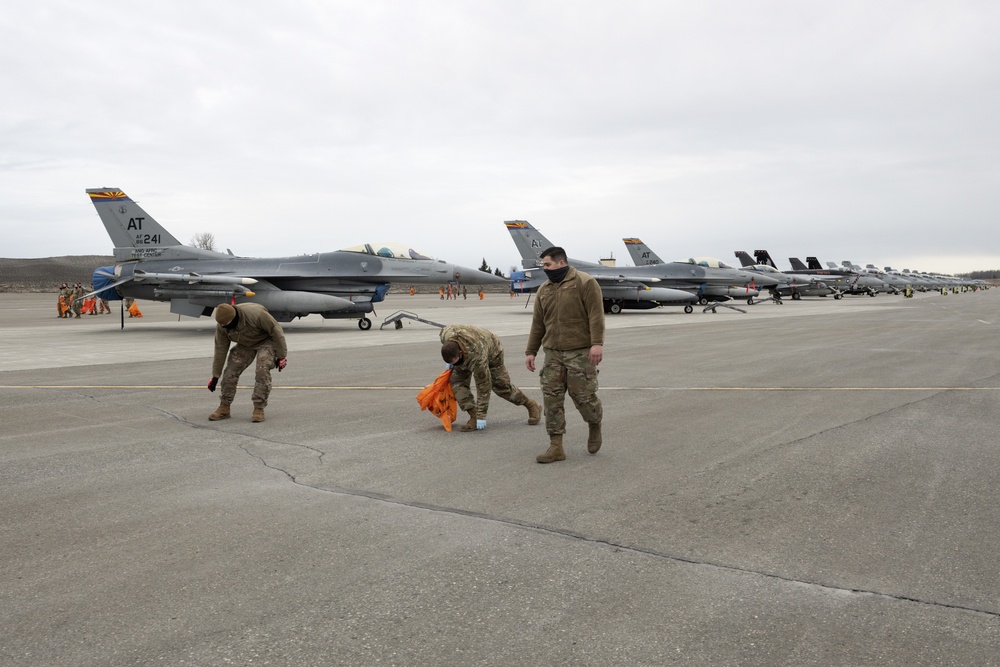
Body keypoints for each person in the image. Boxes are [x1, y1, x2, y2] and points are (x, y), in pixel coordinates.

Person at [524, 246, 605, 463]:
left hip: (579, 352)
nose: (545, 269)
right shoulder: (544, 289)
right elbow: (538, 324)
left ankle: (594, 423)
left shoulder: (585, 282)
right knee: (551, 400)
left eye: (548, 265)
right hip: (553, 353)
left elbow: (596, 315)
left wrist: (596, 344)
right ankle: (556, 446)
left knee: (584, 398)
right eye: (544, 266)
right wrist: (531, 351)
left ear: (561, 263)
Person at [440, 324, 541, 432]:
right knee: (456, 382)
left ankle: (531, 405)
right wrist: (452, 363)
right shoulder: (446, 335)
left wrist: (481, 416)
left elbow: (483, 387)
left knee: (501, 387)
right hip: (470, 345)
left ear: (459, 353)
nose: (457, 364)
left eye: (456, 361)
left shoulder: (477, 356)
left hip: (493, 350)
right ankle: (473, 416)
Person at [207, 303, 288, 423]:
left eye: (227, 325)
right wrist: (215, 376)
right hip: (245, 344)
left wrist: (281, 356)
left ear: (234, 318)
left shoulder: (257, 315)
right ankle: (224, 407)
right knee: (230, 372)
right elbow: (220, 349)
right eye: (222, 325)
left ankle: (258, 408)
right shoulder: (222, 326)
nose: (225, 328)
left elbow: (277, 332)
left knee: (262, 370)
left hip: (266, 341)